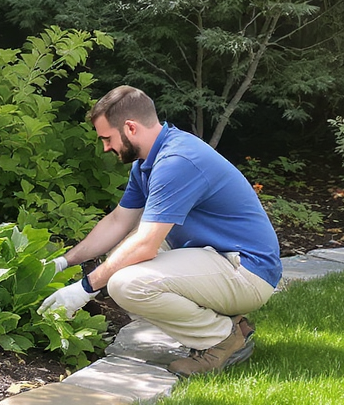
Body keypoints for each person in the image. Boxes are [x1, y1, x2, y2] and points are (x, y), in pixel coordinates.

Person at [39, 85, 282, 376]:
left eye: (107, 138)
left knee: (125, 283)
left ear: (130, 127)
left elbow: (145, 245)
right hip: (218, 258)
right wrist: (64, 262)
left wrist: (85, 288)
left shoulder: (177, 162)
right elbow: (119, 221)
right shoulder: (148, 162)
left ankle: (223, 338)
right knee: (123, 254)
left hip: (248, 271)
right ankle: (225, 324)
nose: (105, 147)